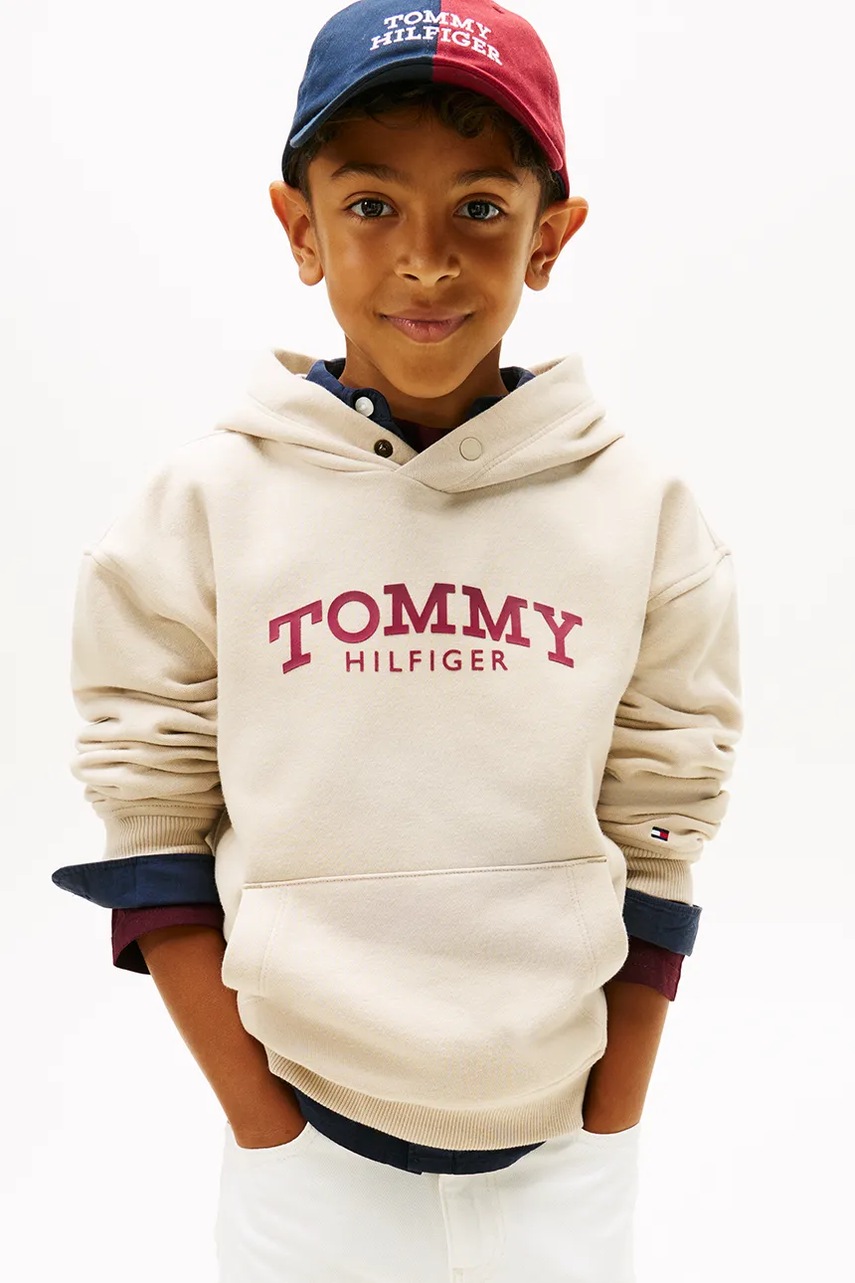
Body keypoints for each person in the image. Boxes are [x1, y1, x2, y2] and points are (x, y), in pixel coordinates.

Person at [51, 2, 742, 1279]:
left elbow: (663, 815)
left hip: (564, 1154)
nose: (427, 260)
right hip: (307, 1155)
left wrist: (609, 1122)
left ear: (550, 237)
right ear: (300, 227)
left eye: (480, 207)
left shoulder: (641, 512)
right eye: (372, 205)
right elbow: (152, 825)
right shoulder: (200, 508)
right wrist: (264, 1129)